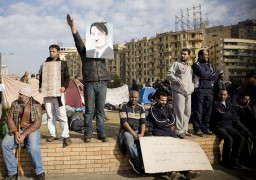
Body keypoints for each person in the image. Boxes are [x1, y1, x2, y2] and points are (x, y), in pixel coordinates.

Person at [67, 14, 111, 143]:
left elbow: (103, 36)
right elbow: (78, 41)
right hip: (89, 83)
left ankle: (101, 133)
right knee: (89, 110)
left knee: (100, 111)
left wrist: (101, 25)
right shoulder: (83, 52)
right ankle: (88, 133)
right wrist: (72, 27)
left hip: (102, 81)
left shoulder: (102, 50)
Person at [147, 91, 200, 179]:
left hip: (169, 132)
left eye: (165, 100)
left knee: (179, 149)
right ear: (157, 99)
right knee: (167, 151)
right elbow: (158, 123)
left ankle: (187, 171)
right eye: (162, 100)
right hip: (158, 132)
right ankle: (171, 172)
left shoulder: (167, 108)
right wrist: (167, 122)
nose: (164, 102)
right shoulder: (152, 109)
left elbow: (173, 120)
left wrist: (167, 123)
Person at [1, 86, 45, 180]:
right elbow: (9, 118)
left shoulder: (36, 105)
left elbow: (37, 123)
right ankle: (13, 172)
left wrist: (24, 135)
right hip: (17, 128)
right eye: (19, 93)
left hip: (32, 128)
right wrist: (15, 132)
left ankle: (40, 172)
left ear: (27, 96)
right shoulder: (15, 103)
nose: (18, 95)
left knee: (33, 147)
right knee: (5, 144)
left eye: (20, 94)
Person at [39, 44, 71, 146]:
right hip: (47, 94)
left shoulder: (63, 64)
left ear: (58, 52)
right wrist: (40, 86)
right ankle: (52, 134)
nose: (51, 53)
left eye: (53, 51)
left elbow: (67, 77)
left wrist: (64, 87)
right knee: (49, 115)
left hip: (58, 94)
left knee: (62, 114)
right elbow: (41, 78)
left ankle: (65, 136)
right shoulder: (45, 64)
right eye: (50, 51)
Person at [210, 89, 248, 169]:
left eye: (224, 94)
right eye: (221, 94)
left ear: (227, 95)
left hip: (229, 126)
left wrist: (227, 114)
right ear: (218, 94)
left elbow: (235, 116)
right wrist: (228, 115)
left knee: (241, 138)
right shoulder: (215, 104)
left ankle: (234, 160)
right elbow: (221, 115)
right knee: (229, 139)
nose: (222, 96)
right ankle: (225, 161)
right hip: (218, 126)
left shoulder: (229, 104)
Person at [167, 48, 194, 139]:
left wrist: (192, 88)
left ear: (189, 56)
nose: (182, 55)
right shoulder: (176, 64)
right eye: (181, 54)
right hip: (178, 91)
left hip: (188, 92)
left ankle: (184, 130)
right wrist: (178, 81)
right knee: (179, 111)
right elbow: (169, 74)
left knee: (187, 112)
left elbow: (192, 79)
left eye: (185, 54)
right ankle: (178, 130)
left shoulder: (190, 66)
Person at [192, 49, 218, 136]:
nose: (208, 56)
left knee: (208, 110)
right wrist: (209, 76)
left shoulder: (209, 65)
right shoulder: (196, 65)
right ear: (200, 56)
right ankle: (197, 129)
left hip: (209, 90)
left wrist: (207, 76)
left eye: (207, 55)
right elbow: (201, 74)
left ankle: (205, 128)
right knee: (198, 110)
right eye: (206, 55)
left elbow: (216, 76)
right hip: (199, 90)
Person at [119, 90, 145, 174]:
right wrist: (134, 134)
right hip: (127, 130)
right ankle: (141, 165)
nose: (133, 99)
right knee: (130, 144)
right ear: (129, 97)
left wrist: (141, 134)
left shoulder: (141, 107)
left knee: (146, 144)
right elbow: (124, 123)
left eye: (135, 97)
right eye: (132, 97)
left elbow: (143, 123)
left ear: (138, 98)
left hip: (138, 130)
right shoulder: (123, 106)